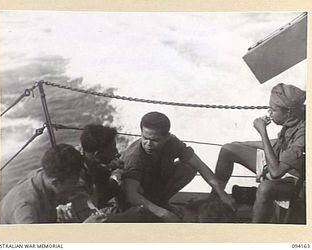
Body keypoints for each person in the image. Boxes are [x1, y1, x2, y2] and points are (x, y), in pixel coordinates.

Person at [213, 83, 305, 223]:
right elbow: (277, 143)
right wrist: (242, 144)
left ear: (288, 112)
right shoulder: (294, 119)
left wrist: (263, 131)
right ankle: (213, 201)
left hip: (296, 181)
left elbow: (276, 172)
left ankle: (256, 231)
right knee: (229, 149)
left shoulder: (304, 134)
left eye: (273, 110)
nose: (269, 112)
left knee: (265, 188)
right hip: (280, 162)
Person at [120, 111, 236, 222]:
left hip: (153, 186)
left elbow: (199, 165)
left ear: (167, 137)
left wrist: (222, 194)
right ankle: (156, 208)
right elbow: (131, 195)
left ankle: (160, 203)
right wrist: (164, 214)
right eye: (145, 138)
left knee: (188, 167)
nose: (148, 144)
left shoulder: (172, 142)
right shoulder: (135, 157)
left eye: (155, 140)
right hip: (132, 199)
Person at [0, 144, 85, 224]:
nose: (77, 184)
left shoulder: (49, 175)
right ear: (55, 183)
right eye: (73, 183)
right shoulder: (25, 209)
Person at [78, 124, 124, 208]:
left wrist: (109, 167)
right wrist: (116, 178)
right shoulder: (79, 179)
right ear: (97, 155)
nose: (117, 152)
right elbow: (94, 208)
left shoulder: (89, 160)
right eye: (113, 149)